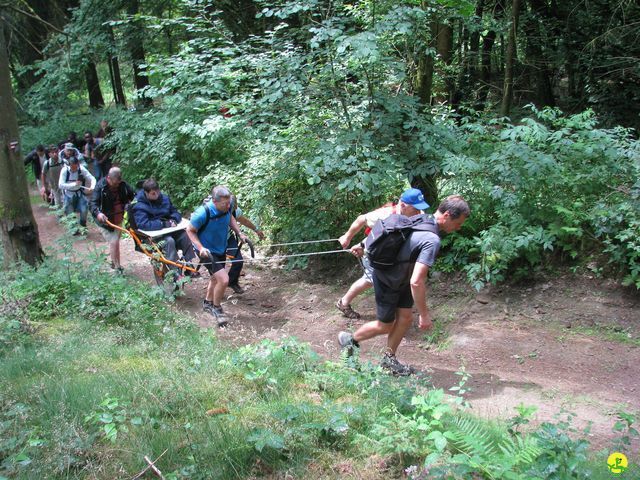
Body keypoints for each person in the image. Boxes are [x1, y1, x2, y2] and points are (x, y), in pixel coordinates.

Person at [338, 195, 470, 375]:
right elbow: (417, 281)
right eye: (459, 223)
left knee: (406, 318)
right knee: (384, 325)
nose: (459, 227)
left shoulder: (423, 217)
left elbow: (396, 227)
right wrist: (424, 315)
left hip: (402, 278)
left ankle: (388, 360)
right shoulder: (432, 240)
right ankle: (349, 340)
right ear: (447, 215)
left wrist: (363, 245)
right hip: (388, 278)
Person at [336, 188, 430, 320]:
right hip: (374, 251)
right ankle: (344, 303)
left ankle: (397, 311)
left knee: (389, 278)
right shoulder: (386, 214)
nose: (419, 212)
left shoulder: (417, 213)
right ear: (403, 205)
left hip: (392, 253)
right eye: (415, 208)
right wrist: (347, 237)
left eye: (420, 207)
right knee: (370, 279)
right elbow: (361, 219)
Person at [186, 186, 248, 327]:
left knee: (215, 277)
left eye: (229, 203)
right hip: (207, 251)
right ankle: (217, 308)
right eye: (224, 204)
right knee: (224, 279)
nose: (228, 206)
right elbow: (189, 230)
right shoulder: (202, 213)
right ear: (214, 201)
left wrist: (239, 233)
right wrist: (201, 248)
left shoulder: (228, 206)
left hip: (221, 247)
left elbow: (230, 217)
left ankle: (207, 303)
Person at [131, 178, 197, 274]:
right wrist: (163, 224)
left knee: (185, 235)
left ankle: (188, 264)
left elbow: (175, 212)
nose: (157, 195)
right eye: (153, 194)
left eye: (158, 192)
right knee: (168, 241)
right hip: (153, 236)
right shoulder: (139, 205)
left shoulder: (165, 198)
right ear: (146, 193)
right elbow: (143, 224)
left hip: (169, 230)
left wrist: (174, 219)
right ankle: (174, 270)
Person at [90, 167, 135, 272]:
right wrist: (98, 214)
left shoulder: (122, 185)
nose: (117, 185)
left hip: (118, 219)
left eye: (118, 183)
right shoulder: (100, 187)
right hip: (105, 221)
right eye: (115, 184)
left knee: (115, 242)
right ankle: (117, 268)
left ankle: (114, 263)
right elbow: (92, 203)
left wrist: (130, 204)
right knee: (114, 242)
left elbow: (133, 194)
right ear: (109, 178)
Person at [226, 195, 265, 294]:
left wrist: (256, 230)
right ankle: (216, 287)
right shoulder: (214, 211)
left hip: (228, 237)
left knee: (238, 261)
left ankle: (232, 282)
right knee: (217, 265)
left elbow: (244, 221)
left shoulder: (235, 211)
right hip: (213, 239)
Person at [59, 155, 96, 231]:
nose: (75, 169)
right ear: (69, 165)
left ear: (78, 164)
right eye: (73, 168)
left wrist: (92, 186)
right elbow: (60, 185)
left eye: (76, 167)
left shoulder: (81, 169)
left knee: (84, 209)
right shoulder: (64, 171)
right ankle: (73, 229)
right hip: (68, 194)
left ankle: (83, 226)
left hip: (79, 193)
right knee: (69, 212)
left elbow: (92, 178)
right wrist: (74, 184)